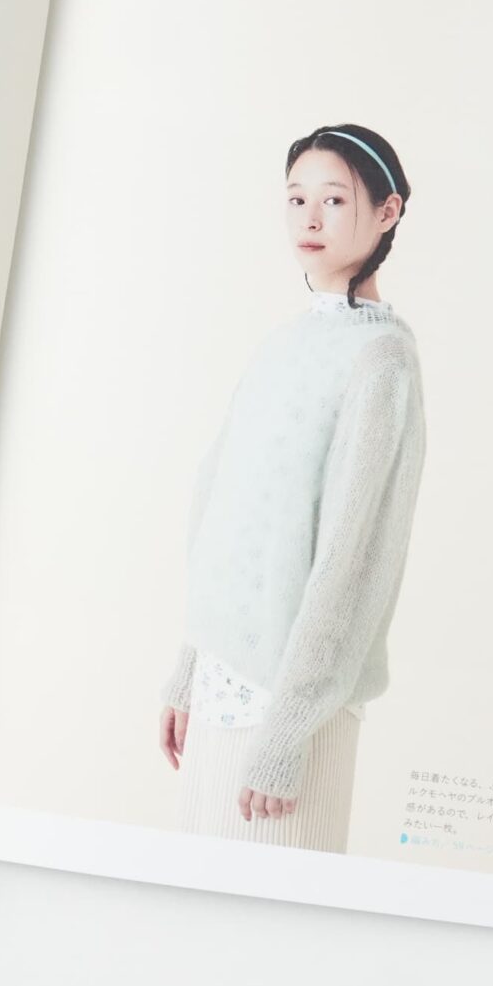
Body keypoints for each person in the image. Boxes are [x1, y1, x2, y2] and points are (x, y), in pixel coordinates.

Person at [158, 123, 427, 852]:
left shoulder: (381, 359)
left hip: (297, 711)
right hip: (219, 687)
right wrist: (189, 668)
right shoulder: (282, 344)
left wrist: (287, 732)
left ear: (388, 212)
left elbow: (352, 560)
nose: (309, 218)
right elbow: (223, 514)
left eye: (334, 200)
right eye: (296, 198)